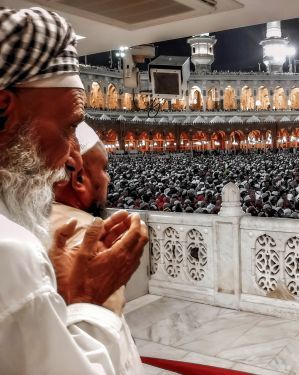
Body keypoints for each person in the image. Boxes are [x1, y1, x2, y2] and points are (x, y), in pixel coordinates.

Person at [0, 7, 147, 374]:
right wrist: (86, 300)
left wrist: (59, 296)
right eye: (68, 129)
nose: (70, 155)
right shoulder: (11, 254)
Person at [51, 121, 143, 374]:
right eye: (103, 168)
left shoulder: (24, 220)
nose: (108, 177)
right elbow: (98, 351)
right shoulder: (84, 232)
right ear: (79, 178)